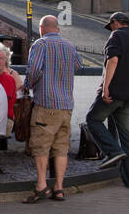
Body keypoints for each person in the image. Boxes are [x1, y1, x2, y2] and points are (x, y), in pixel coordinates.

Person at [22, 15, 84, 203]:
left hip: (46, 104)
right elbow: (78, 66)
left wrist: (28, 85)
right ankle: (59, 188)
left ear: (41, 28)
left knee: (41, 146)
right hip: (66, 105)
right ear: (57, 29)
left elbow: (33, 70)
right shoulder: (70, 46)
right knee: (61, 148)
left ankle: (41, 186)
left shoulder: (40, 44)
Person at [87, 12, 129, 188]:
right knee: (128, 138)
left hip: (114, 93)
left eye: (111, 26)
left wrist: (106, 88)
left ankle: (113, 151)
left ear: (115, 23)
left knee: (93, 120)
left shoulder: (116, 36)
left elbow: (113, 60)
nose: (111, 29)